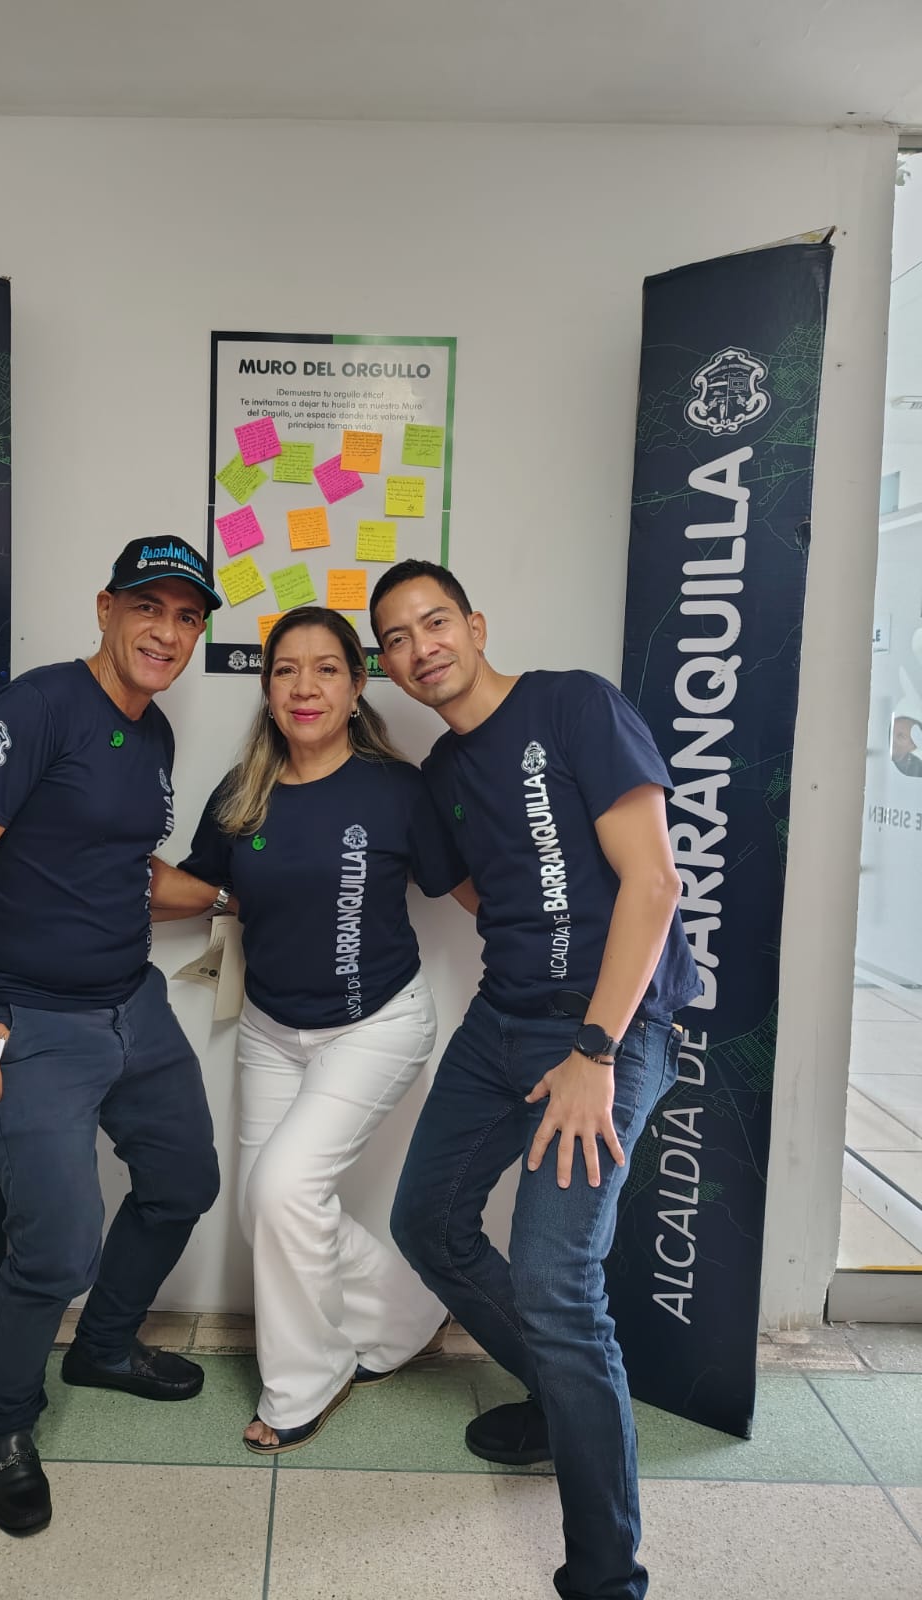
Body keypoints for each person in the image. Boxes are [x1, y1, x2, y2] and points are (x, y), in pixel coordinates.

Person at [369, 559, 701, 1600]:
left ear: (475, 625)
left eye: (434, 622)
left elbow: (653, 881)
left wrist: (593, 1052)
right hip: (503, 1020)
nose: (420, 647)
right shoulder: (441, 774)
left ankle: (606, 1578)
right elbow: (482, 886)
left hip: (610, 1029)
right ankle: (563, 1402)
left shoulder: (573, 704)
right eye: (396, 638)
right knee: (427, 1223)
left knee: (558, 1284)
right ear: (388, 665)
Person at [0, 538, 231, 1536]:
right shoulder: (36, 709)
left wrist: (236, 893)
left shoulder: (153, 735)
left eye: (187, 617)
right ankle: (3, 1425)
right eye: (149, 607)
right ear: (106, 609)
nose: (167, 632)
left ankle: (103, 1347)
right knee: (56, 1250)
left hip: (131, 1003)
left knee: (183, 1182)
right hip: (30, 1019)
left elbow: (129, 870)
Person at [174, 606, 475, 1454]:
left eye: (326, 669)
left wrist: (570, 953)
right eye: (285, 670)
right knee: (264, 1210)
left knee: (282, 1193)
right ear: (267, 688)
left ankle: (302, 1386)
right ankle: (409, 1313)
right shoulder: (241, 792)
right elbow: (195, 887)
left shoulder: (398, 789)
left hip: (377, 1025)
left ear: (356, 685)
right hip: (271, 1028)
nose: (303, 687)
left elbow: (471, 892)